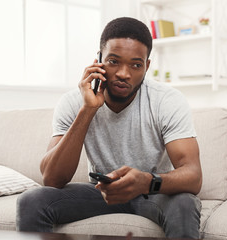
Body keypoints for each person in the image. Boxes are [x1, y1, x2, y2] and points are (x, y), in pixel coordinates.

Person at [16, 17, 202, 239]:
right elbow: (52, 179)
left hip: (150, 193)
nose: (124, 73)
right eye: (114, 61)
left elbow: (193, 176)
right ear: (99, 59)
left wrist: (145, 181)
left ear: (147, 66)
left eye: (136, 65)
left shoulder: (167, 101)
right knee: (31, 200)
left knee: (184, 203)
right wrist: (87, 110)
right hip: (99, 192)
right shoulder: (73, 102)